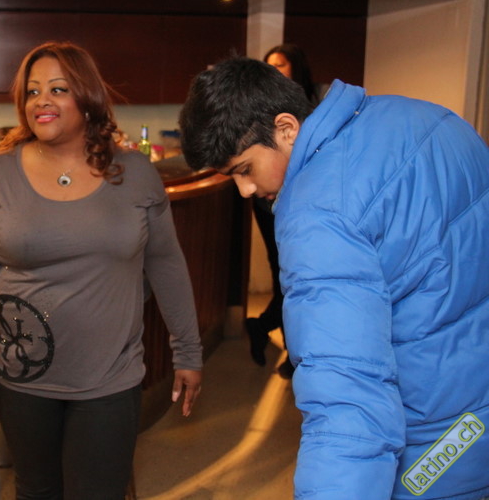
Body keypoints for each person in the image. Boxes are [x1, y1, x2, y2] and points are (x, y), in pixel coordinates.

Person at [178, 57, 489, 499]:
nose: (245, 190)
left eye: (244, 170)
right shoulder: (427, 118)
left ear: (286, 128)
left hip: (439, 437)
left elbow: (347, 399)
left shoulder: (316, 211)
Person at [0, 41, 203, 500]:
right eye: (33, 91)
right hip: (22, 377)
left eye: (58, 89)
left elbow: (166, 263)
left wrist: (188, 352)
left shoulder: (134, 173)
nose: (42, 100)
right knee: (35, 490)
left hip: (109, 379)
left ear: (87, 97)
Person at [246, 43, 328, 377]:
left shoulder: (317, 100)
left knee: (300, 274)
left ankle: (265, 329)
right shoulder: (260, 103)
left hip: (307, 198)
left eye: (280, 64)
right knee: (284, 273)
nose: (273, 70)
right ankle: (292, 353)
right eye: (269, 65)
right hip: (269, 202)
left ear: (296, 67)